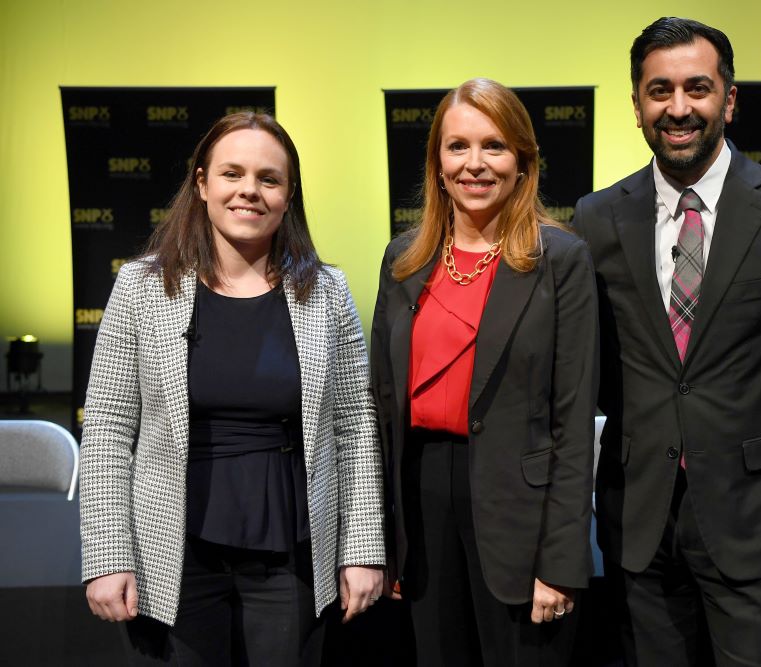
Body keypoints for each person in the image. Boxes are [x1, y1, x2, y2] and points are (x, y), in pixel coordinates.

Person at [573, 17, 761, 667]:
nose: (678, 108)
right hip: (638, 521)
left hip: (754, 516)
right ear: (637, 105)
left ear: (728, 99)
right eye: (659, 90)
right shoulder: (596, 218)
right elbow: (601, 366)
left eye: (697, 88)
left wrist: (748, 435)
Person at [79, 112, 385, 665]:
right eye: (232, 174)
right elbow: (106, 429)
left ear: (288, 196)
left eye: (269, 179)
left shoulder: (327, 292)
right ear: (201, 184)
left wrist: (363, 550)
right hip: (172, 554)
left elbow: (355, 429)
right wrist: (106, 555)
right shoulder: (141, 287)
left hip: (291, 554)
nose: (250, 190)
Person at [370, 78, 598, 666]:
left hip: (520, 517)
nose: (474, 164)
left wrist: (561, 560)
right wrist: (385, 544)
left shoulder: (561, 261)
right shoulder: (403, 260)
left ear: (523, 162)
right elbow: (381, 408)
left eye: (493, 146)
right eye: (457, 147)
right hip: (422, 505)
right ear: (437, 162)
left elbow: (573, 424)